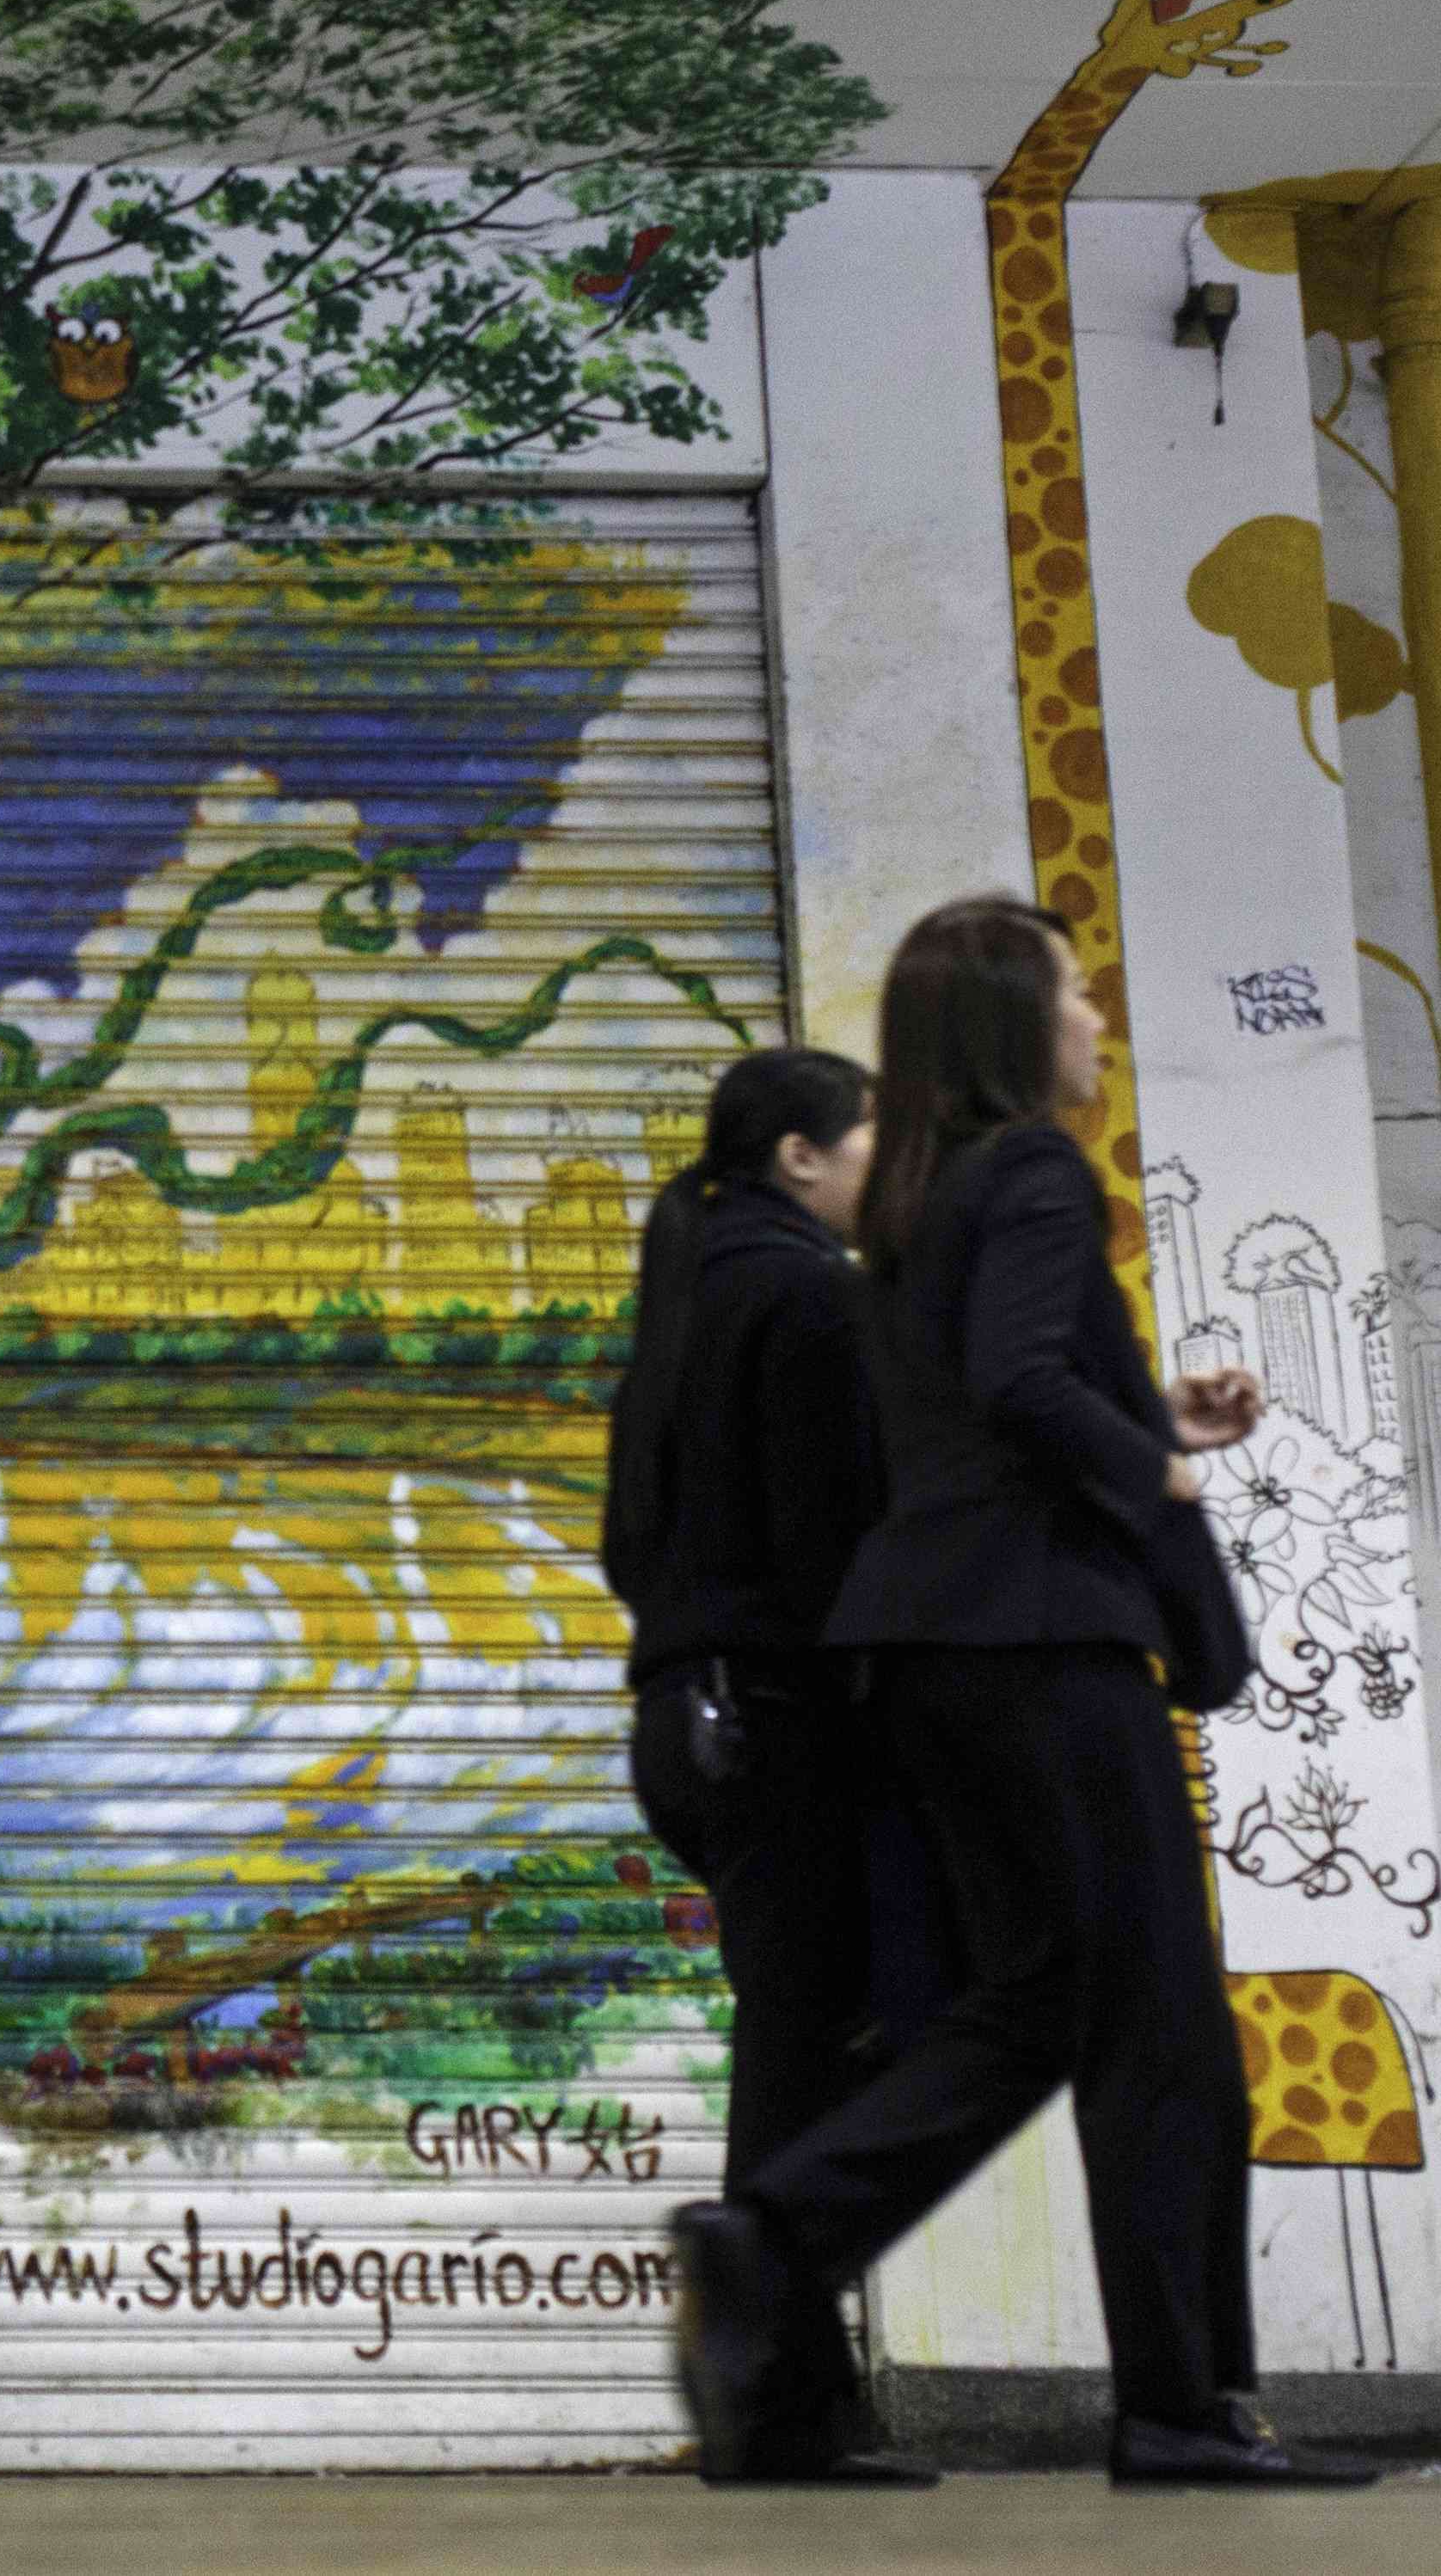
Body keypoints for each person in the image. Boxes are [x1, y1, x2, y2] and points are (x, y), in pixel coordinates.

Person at [668, 897, 1374, 2490]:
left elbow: (978, 1397)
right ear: (1010, 1021)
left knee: (1057, 2008)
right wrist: (1152, 1475)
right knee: (1154, 2032)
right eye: (1069, 990)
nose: (1094, 1018)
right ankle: (1162, 2398)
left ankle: (803, 2237)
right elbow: (1013, 1383)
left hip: (933, 1650)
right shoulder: (1037, 1170)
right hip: (1040, 1648)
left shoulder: (914, 1196)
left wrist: (1158, 1414)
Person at [601, 1046, 929, 2488]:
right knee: (824, 2057)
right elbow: (832, 1543)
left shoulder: (681, 1297)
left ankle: (791, 2401)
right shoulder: (798, 1289)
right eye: (873, 1143)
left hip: (688, 1713)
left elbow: (624, 1539)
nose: (886, 1173)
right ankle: (781, 2404)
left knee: (799, 2049)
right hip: (774, 1715)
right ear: (798, 1155)